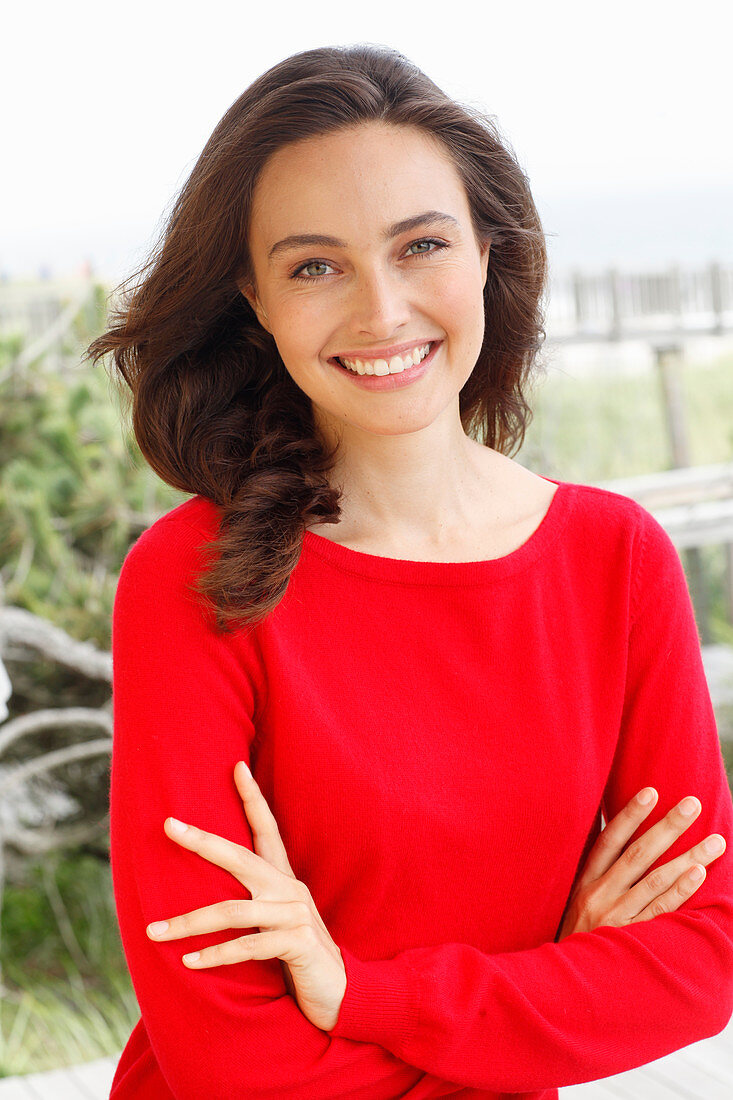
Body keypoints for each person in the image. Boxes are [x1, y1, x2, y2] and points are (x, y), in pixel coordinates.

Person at [85, 43, 733, 1100]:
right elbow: (223, 1051)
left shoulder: (615, 562)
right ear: (252, 296)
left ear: (487, 249)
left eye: (419, 244)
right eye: (314, 265)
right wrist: (539, 993)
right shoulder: (191, 579)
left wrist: (361, 993)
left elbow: (698, 964)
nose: (380, 311)